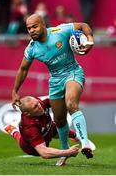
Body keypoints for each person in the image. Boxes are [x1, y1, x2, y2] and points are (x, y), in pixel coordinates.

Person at [11, 14, 94, 164]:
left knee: (71, 104)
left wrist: (90, 40)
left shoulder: (60, 31)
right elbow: (23, 69)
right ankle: (64, 151)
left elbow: (83, 25)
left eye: (34, 27)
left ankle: (85, 143)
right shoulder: (32, 48)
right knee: (59, 119)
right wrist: (15, 91)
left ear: (43, 25)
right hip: (55, 80)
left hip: (73, 72)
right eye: (29, 28)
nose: (31, 30)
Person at [5, 96, 80, 166]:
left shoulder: (39, 103)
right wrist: (69, 152)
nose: (40, 107)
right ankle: (14, 131)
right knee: (21, 139)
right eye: (35, 107)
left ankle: (78, 137)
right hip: (31, 148)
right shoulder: (29, 127)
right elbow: (44, 153)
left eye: (38, 103)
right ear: (27, 113)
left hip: (47, 126)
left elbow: (57, 100)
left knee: (56, 128)